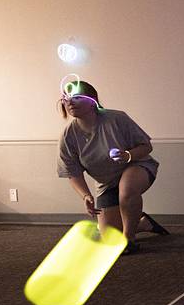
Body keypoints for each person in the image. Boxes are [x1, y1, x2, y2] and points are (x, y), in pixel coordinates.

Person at [56, 80, 168, 255]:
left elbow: (146, 146)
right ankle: (143, 223)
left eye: (76, 97)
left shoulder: (117, 119)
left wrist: (128, 155)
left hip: (137, 166)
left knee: (127, 189)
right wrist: (86, 195)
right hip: (106, 183)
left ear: (92, 100)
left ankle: (129, 241)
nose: (69, 102)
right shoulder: (68, 135)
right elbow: (73, 172)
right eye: (66, 98)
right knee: (109, 236)